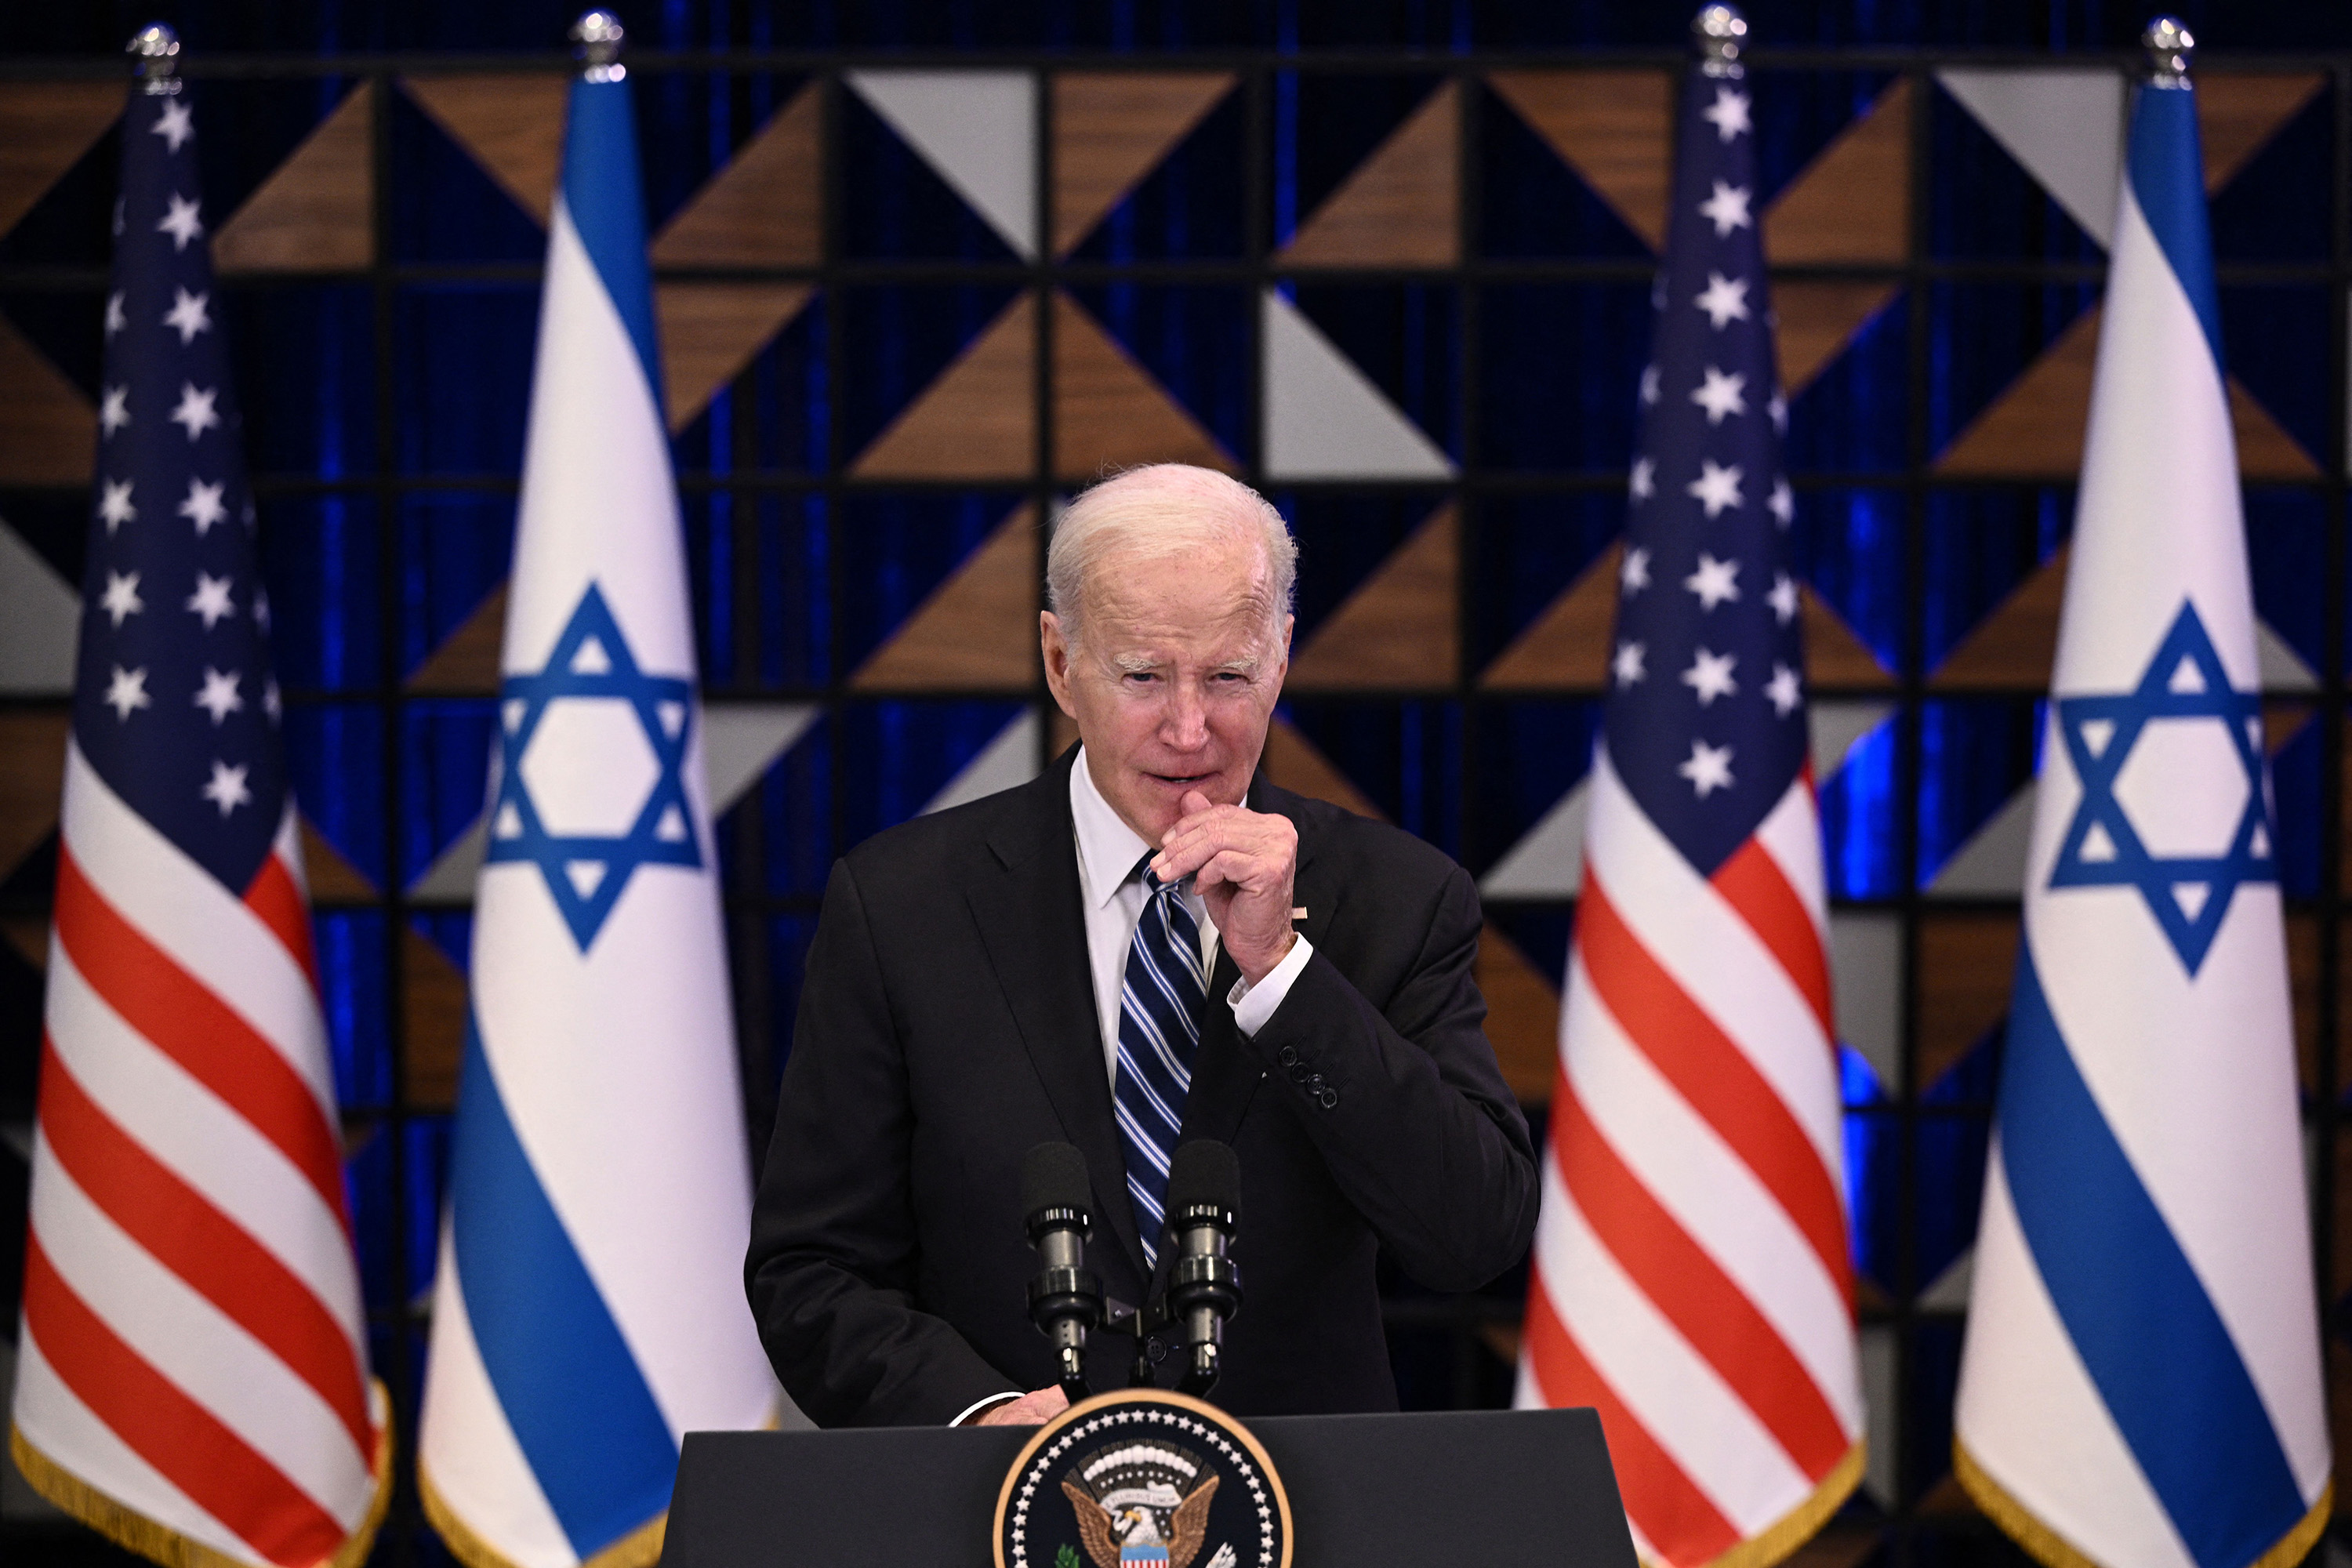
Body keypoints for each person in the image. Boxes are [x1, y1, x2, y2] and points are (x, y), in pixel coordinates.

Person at [745, 464, 1537, 1427]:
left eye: (1229, 676)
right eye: (1145, 676)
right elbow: (813, 1271)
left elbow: (1473, 1233)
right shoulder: (901, 904)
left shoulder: (1399, 899)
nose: (1190, 728)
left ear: (1282, 657)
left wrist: (1282, 973)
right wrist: (977, 1419)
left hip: (1297, 1517)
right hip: (996, 1519)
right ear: (1058, 661)